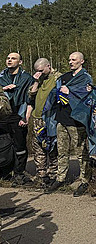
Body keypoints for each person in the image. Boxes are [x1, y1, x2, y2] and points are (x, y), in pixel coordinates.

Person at [45, 52, 93, 196]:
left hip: (76, 122)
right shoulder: (63, 77)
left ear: (82, 61)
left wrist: (70, 91)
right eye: (69, 59)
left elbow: (87, 95)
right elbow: (55, 92)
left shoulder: (85, 78)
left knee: (81, 153)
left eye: (74, 60)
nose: (71, 62)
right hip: (62, 119)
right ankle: (61, 178)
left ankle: (85, 180)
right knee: (62, 151)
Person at [0, 52, 35, 185]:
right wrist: (4, 89)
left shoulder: (26, 78)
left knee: (19, 145)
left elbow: (31, 99)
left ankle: (19, 173)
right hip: (2, 114)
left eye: (13, 58)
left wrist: (26, 117)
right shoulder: (1, 76)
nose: (9, 60)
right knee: (4, 143)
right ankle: (5, 171)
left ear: (20, 62)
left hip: (18, 114)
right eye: (8, 58)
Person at [25, 58, 60, 187]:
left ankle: (53, 174)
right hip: (37, 118)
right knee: (38, 147)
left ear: (48, 66)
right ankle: (41, 175)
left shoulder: (57, 78)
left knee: (51, 146)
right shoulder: (38, 80)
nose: (39, 73)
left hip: (50, 118)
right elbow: (31, 95)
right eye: (36, 71)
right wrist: (35, 80)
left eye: (41, 70)